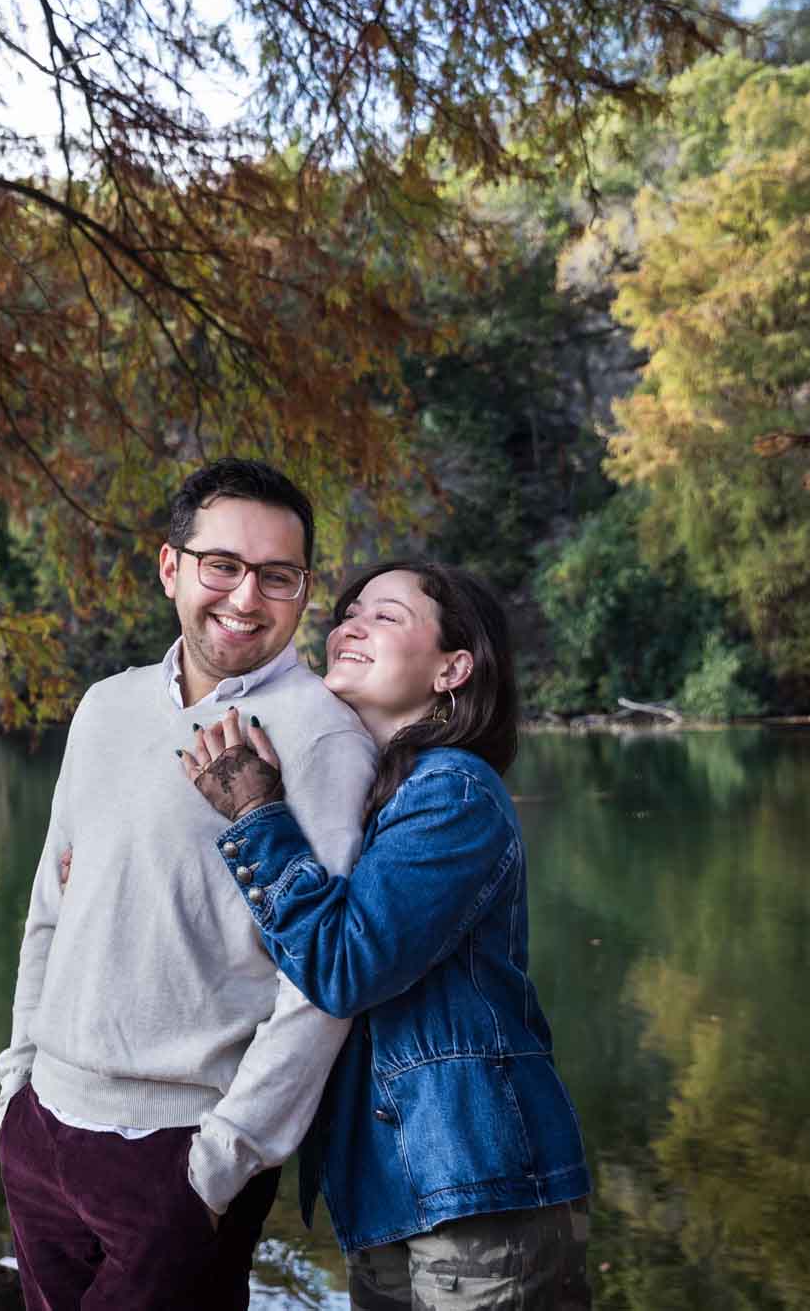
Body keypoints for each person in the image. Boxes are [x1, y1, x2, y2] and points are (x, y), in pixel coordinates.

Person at [0, 458, 377, 1310]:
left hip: (180, 1152)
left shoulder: (321, 736)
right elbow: (50, 910)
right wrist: (16, 1088)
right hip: (44, 1129)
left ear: (304, 590)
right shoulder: (106, 707)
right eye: (223, 565)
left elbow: (320, 983)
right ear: (171, 567)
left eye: (276, 575)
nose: (246, 597)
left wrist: (220, 1164)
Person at [180, 561, 592, 1310]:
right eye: (349, 612)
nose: (350, 625)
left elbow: (344, 964)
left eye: (386, 616)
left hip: (473, 1187)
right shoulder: (369, 799)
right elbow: (287, 937)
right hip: (387, 1194)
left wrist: (256, 816)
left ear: (452, 669)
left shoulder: (454, 790)